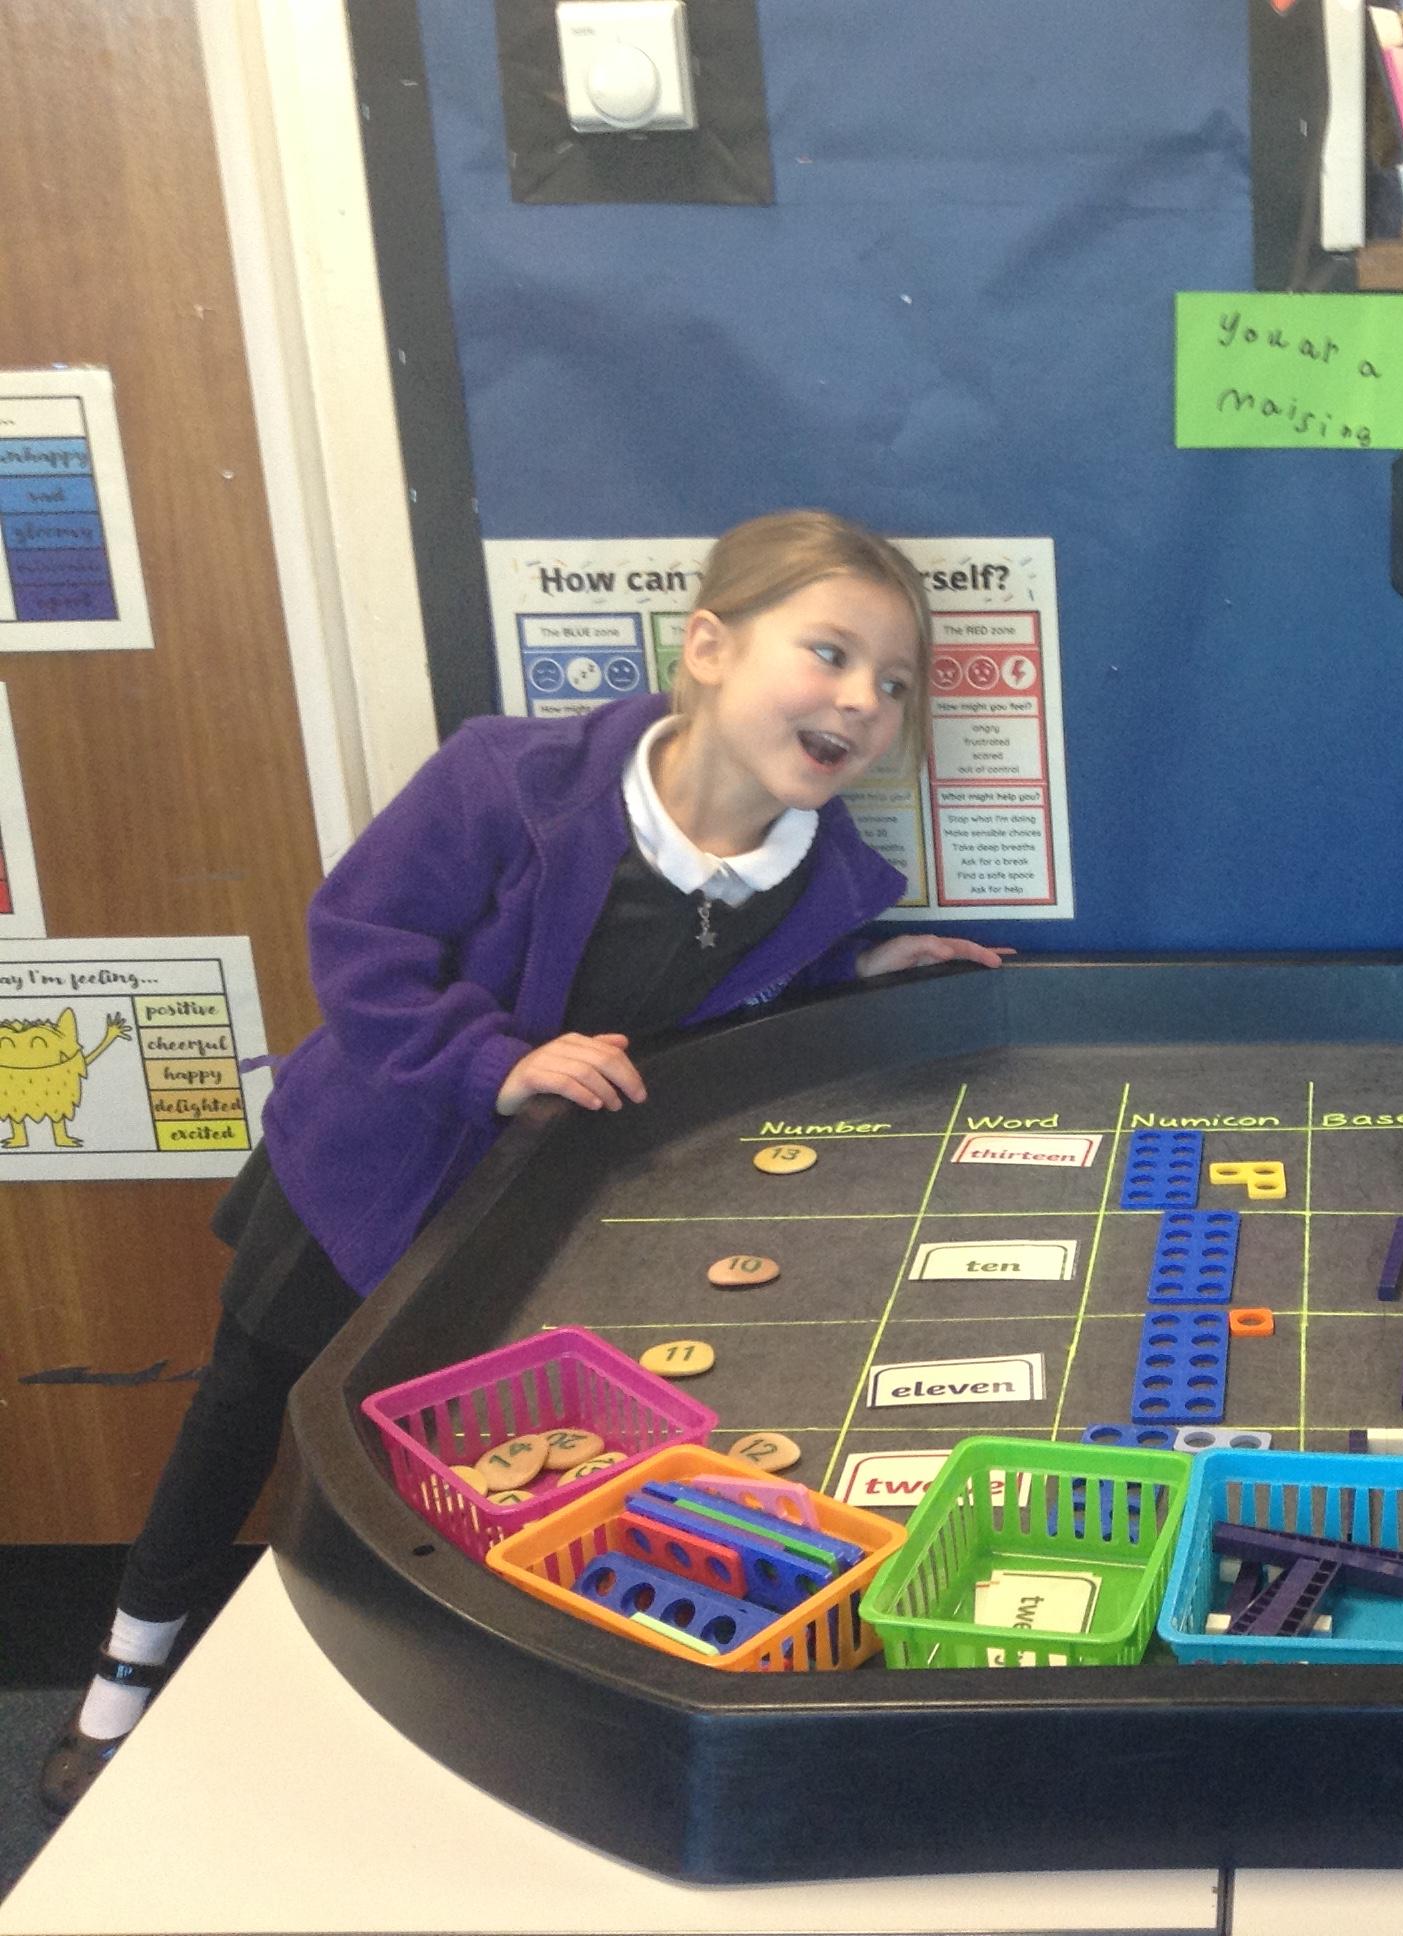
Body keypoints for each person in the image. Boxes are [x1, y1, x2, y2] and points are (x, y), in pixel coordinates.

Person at [40, 510, 1009, 1813]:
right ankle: (123, 1679)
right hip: (362, 1179)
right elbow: (362, 941)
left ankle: (403, 1711)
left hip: (536, 1223)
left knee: (438, 1458)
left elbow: (720, 992)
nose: (862, 701)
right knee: (244, 1410)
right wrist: (491, 1061)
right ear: (710, 648)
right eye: (830, 652)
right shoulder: (510, 777)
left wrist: (856, 966)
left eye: (893, 684)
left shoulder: (819, 877)